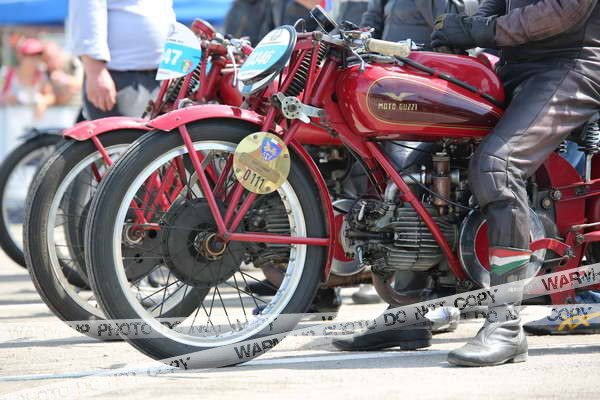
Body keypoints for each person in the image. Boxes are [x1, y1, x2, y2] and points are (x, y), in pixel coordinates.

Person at [430, 0, 600, 366]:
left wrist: (480, 31)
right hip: (511, 63)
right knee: (425, 149)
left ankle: (505, 325)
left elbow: (564, 10)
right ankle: (407, 310)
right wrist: (462, 30)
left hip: (570, 64)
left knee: (497, 166)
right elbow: (494, 3)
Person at [332, 0, 478, 351]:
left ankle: (417, 305)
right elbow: (366, 29)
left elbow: (451, 38)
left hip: (422, 97)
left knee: (405, 187)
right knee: (378, 181)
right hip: (388, 96)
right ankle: (404, 311)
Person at [68, 0, 176, 120]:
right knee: (120, 132)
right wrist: (95, 71)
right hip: (117, 77)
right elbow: (86, 10)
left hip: (162, 76)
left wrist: (172, 69)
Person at [0, 38, 55, 120]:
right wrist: (5, 98)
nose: (34, 59)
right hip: (8, 121)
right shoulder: (7, 74)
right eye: (30, 55)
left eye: (38, 55)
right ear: (21, 56)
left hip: (32, 122)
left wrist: (43, 102)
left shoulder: (41, 76)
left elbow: (51, 97)